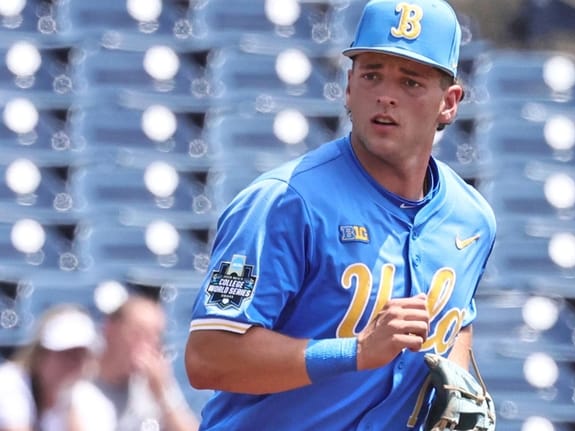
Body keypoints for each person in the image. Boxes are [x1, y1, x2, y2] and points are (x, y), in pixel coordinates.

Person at [184, 0, 496, 429]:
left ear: (449, 103)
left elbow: (459, 320)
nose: (385, 96)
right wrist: (355, 352)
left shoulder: (471, 219)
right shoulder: (284, 203)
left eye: (410, 81)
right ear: (349, 86)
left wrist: (455, 383)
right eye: (371, 75)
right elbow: (208, 357)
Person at [94, 293, 200, 431]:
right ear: (109, 329)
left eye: (154, 337)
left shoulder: (155, 381)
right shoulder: (81, 377)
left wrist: (162, 395)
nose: (146, 346)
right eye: (138, 334)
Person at [0, 303, 114, 431]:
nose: (74, 364)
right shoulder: (9, 383)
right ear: (40, 355)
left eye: (82, 355)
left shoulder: (93, 401)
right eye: (66, 354)